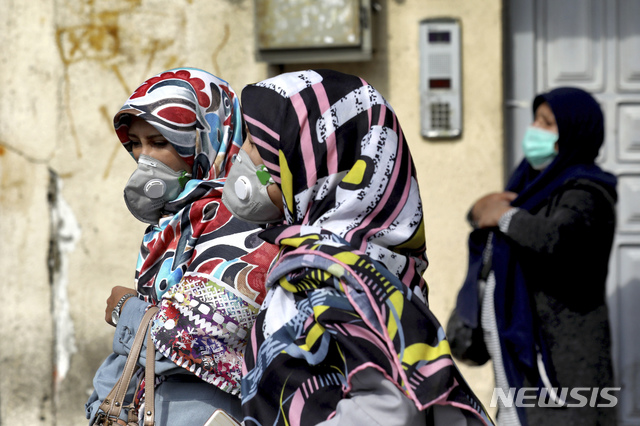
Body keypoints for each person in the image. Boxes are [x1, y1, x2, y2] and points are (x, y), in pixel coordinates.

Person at [221, 69, 493, 426]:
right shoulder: (334, 259)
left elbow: (390, 408)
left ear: (312, 160)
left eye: (257, 145)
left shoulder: (332, 272)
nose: (243, 156)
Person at [85, 68, 279, 425]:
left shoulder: (238, 219)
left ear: (209, 139)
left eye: (159, 143)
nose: (145, 157)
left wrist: (126, 310)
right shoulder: (173, 224)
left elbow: (193, 339)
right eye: (136, 144)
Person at [461, 87, 617, 425]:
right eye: (536, 119)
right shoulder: (532, 187)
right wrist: (478, 213)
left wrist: (503, 216)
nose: (534, 130)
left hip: (565, 364)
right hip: (524, 360)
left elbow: (556, 239)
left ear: (575, 134)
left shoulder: (588, 194)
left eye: (547, 123)